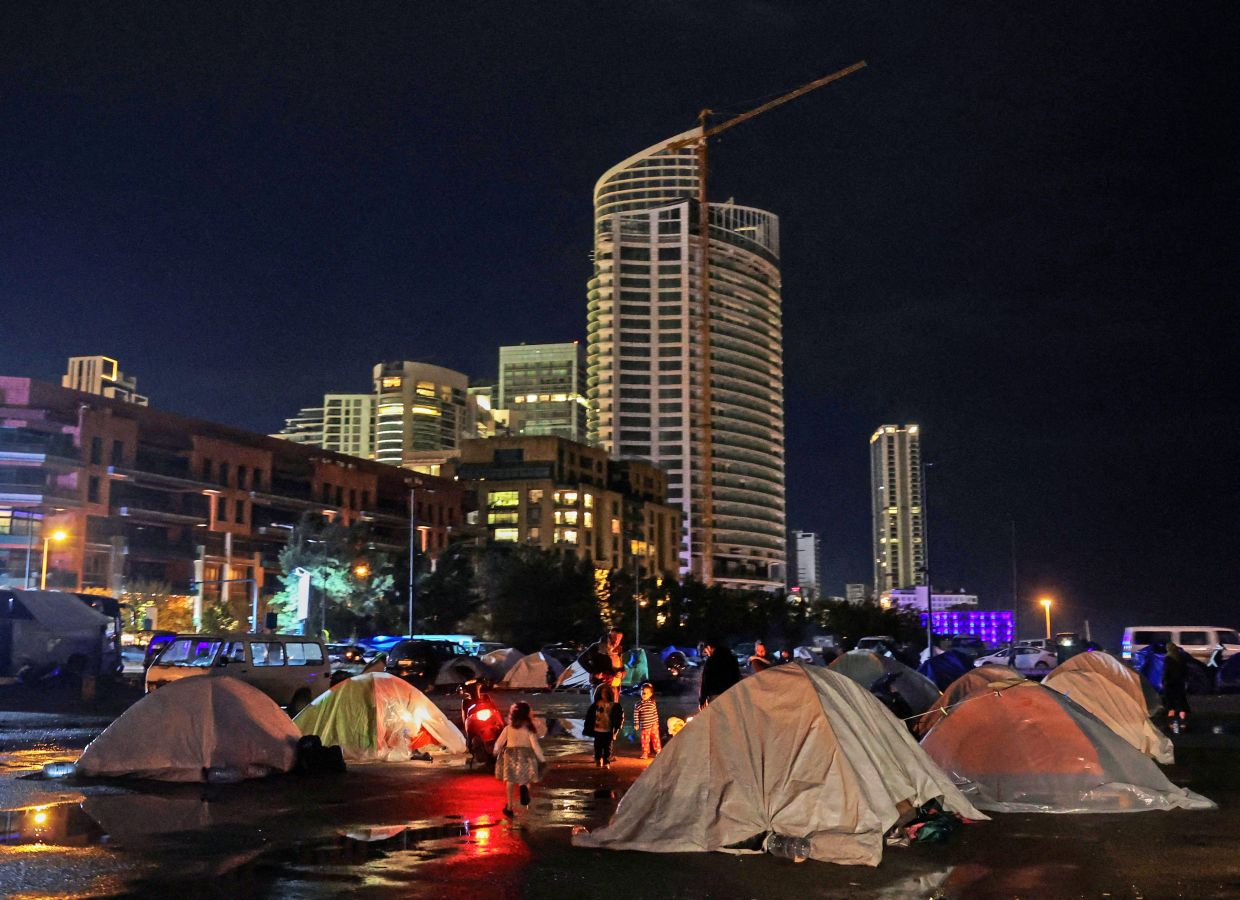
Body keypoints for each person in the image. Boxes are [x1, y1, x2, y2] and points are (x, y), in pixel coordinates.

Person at [493, 701, 546, 818]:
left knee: (510, 780)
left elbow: (499, 742)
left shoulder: (508, 728)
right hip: (526, 756)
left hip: (510, 756)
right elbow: (535, 746)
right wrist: (542, 759)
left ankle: (509, 806)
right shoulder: (529, 730)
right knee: (525, 777)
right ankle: (524, 790)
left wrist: (495, 751)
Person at [583, 683, 623, 768]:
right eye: (602, 692)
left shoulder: (614, 705)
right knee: (597, 746)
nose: (604, 695)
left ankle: (606, 761)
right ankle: (598, 759)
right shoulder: (596, 705)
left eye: (606, 692)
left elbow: (619, 718)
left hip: (608, 729)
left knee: (607, 747)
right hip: (598, 729)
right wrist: (588, 727)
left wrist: (616, 730)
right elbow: (589, 717)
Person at [698, 639, 742, 708]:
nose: (707, 653)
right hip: (731, 696)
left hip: (716, 697)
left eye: (706, 650)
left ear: (709, 647)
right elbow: (737, 677)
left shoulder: (711, 660)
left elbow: (706, 681)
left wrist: (702, 700)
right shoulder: (732, 658)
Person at [1162, 642, 1190, 733]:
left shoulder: (1168, 659)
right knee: (1181, 703)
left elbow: (1166, 672)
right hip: (1180, 684)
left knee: (1170, 704)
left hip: (1170, 684)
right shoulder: (1181, 658)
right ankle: (1183, 723)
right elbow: (1186, 671)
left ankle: (1170, 724)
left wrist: (1164, 681)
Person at [633, 682, 661, 759]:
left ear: (651, 694)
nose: (644, 695)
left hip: (653, 725)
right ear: (640, 693)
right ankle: (645, 753)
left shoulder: (652, 703)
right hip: (645, 726)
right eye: (643, 693)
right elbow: (636, 715)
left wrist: (657, 722)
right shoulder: (638, 704)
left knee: (656, 739)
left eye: (647, 693)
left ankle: (658, 751)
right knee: (645, 740)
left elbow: (655, 713)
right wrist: (636, 724)